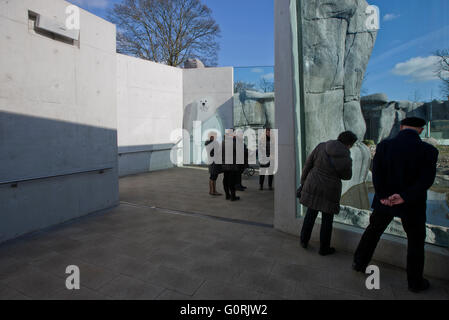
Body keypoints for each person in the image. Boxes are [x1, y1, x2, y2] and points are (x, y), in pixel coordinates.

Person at [353, 117, 438, 293]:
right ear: (421, 130)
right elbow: (426, 180)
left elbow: (376, 173)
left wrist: (383, 196)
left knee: (373, 232)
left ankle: (359, 263)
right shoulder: (428, 150)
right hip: (412, 204)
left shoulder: (385, 146)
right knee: (415, 242)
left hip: (385, 201)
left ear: (401, 128)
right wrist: (404, 196)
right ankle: (415, 282)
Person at [299, 131, 357, 256]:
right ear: (349, 144)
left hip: (313, 184)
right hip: (330, 190)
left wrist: (303, 182)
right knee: (327, 220)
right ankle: (324, 248)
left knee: (310, 214)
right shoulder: (346, 158)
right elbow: (347, 176)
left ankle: (304, 240)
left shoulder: (322, 146)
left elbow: (308, 164)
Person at [221, 131, 241, 201]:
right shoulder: (233, 143)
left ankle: (227, 195)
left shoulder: (222, 143)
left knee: (226, 180)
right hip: (232, 166)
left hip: (224, 165)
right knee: (232, 181)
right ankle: (233, 196)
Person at [205, 132, 222, 196]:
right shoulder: (213, 143)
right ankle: (213, 191)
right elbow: (217, 152)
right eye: (215, 136)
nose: (216, 137)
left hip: (211, 162)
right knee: (214, 177)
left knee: (212, 177)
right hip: (214, 162)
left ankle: (211, 191)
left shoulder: (208, 143)